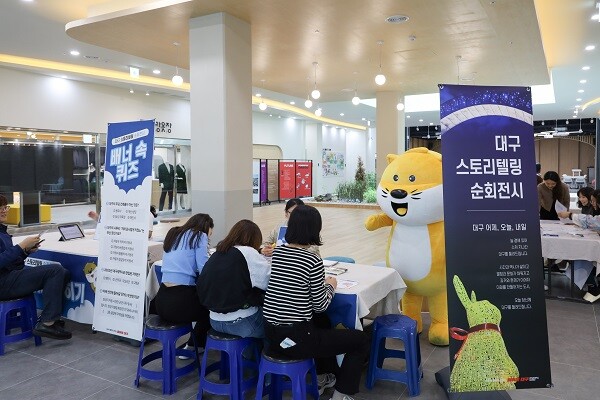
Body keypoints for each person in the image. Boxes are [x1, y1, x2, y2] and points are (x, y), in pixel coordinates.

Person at [263, 205, 369, 400]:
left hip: (271, 335)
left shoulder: (277, 255)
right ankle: (341, 394)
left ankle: (322, 376)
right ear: (315, 230)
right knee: (360, 340)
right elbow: (320, 305)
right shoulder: (311, 260)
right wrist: (330, 285)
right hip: (297, 339)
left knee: (322, 323)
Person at [0, 195, 72, 340]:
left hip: (10, 277)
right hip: (3, 283)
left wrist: (26, 251)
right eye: (0, 208)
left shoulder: (3, 232)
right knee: (55, 270)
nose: (4, 211)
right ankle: (47, 323)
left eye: (5, 207)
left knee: (63, 272)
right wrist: (21, 247)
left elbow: (13, 263)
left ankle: (52, 319)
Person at [197, 219, 270, 338]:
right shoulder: (249, 252)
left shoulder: (218, 252)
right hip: (242, 323)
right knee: (273, 325)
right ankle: (250, 355)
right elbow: (268, 283)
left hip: (214, 321)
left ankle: (240, 354)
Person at [154, 213, 213, 350]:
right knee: (211, 308)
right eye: (210, 235)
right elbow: (204, 268)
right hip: (180, 303)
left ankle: (194, 344)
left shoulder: (173, 233)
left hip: (161, 301)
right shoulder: (199, 236)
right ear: (205, 229)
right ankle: (194, 345)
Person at [88, 206, 156, 239]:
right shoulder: (120, 210)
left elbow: (148, 234)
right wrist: (97, 218)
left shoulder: (147, 214)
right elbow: (110, 225)